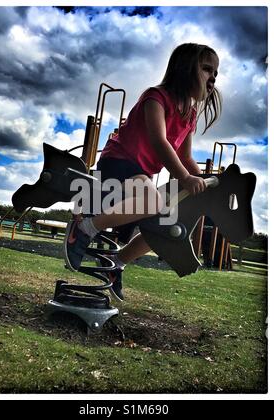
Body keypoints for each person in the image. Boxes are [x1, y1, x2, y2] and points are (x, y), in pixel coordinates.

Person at [64, 43, 222, 302]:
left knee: (166, 226)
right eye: (206, 69)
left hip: (141, 174)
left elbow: (186, 157)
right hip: (118, 162)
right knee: (153, 201)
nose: (213, 77)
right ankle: (84, 229)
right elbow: (160, 142)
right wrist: (184, 178)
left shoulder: (190, 115)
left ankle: (117, 263)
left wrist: (204, 183)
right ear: (184, 69)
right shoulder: (156, 97)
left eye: (216, 72)